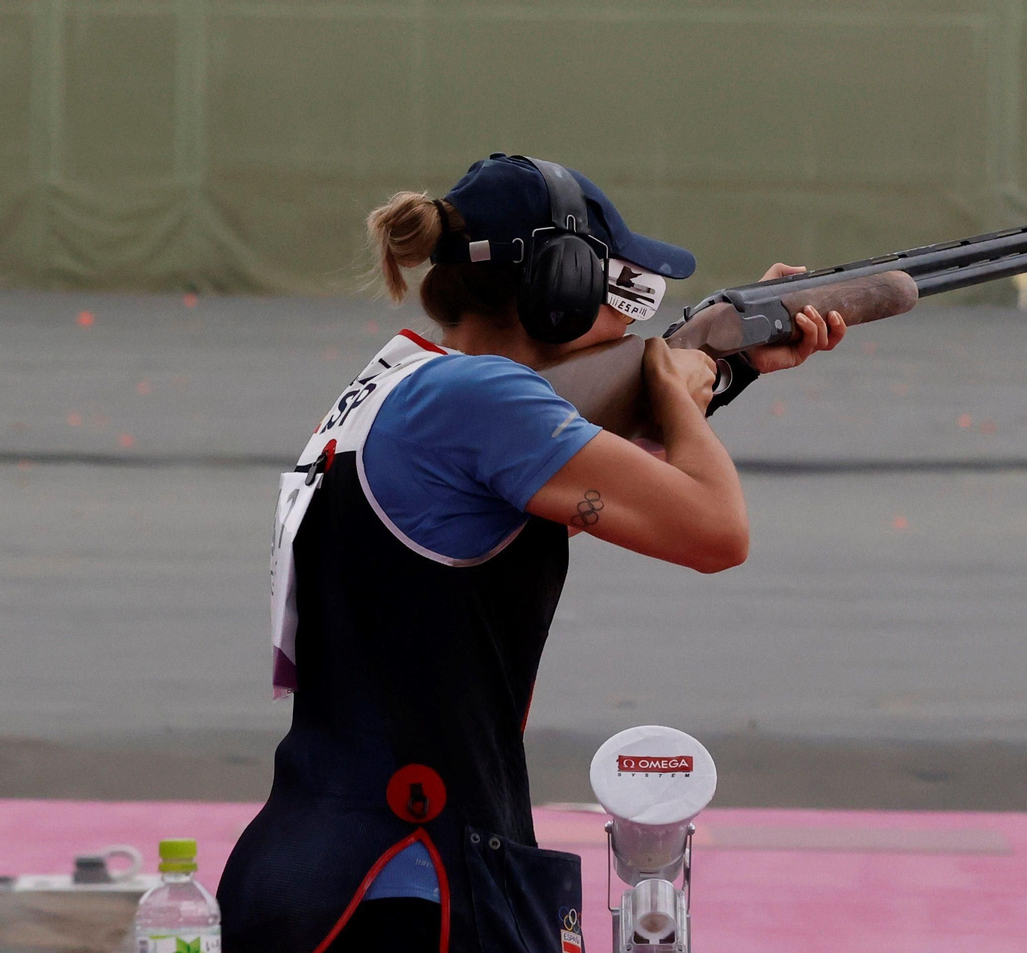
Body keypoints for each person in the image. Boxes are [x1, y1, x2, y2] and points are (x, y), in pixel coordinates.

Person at [217, 154, 845, 953]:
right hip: (416, 887)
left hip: (319, 871)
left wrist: (730, 365)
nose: (632, 326)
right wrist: (669, 377)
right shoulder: (478, 397)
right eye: (627, 297)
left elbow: (606, 479)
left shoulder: (398, 390)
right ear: (561, 288)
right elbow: (715, 530)